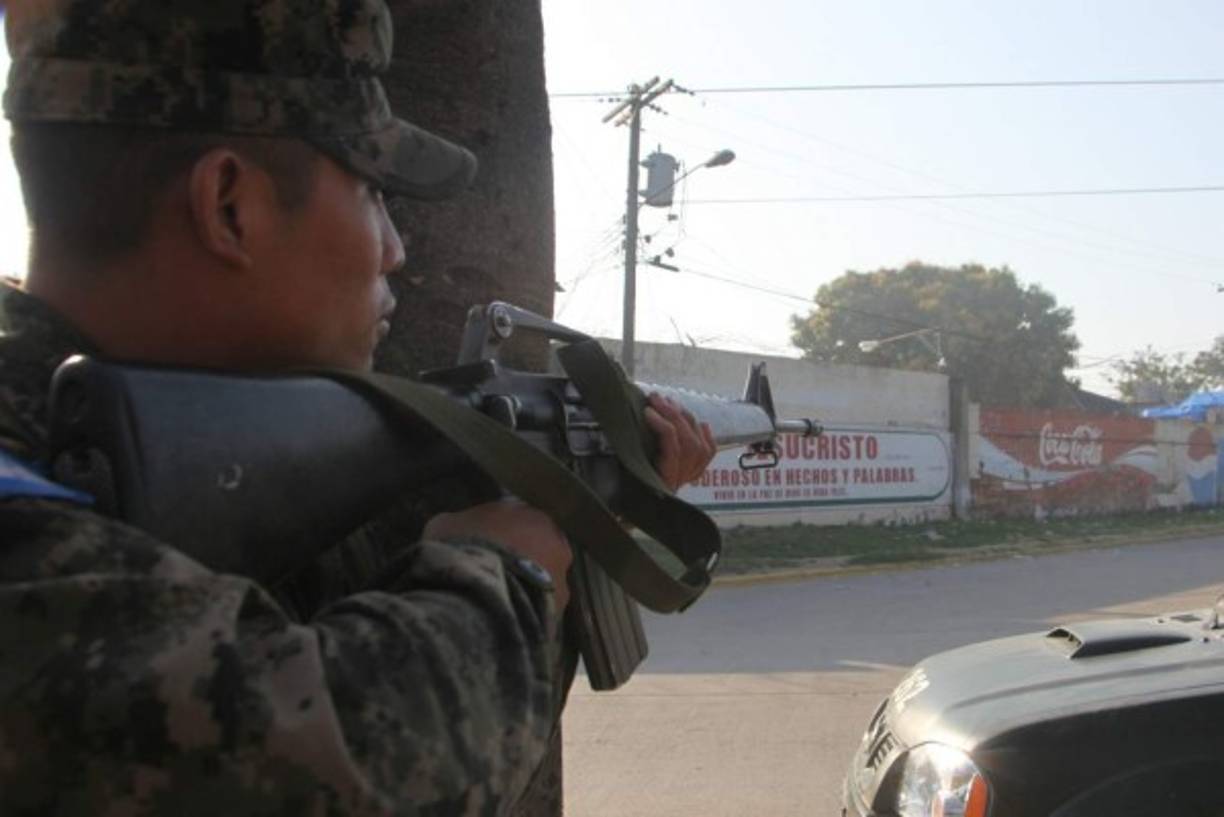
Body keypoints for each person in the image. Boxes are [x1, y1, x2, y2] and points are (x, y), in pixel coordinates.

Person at [0, 0, 716, 813]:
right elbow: (329, 768)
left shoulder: (258, 478)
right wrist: (502, 575)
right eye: (374, 193)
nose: (396, 250)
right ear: (230, 205)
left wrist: (583, 514)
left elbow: (487, 755)